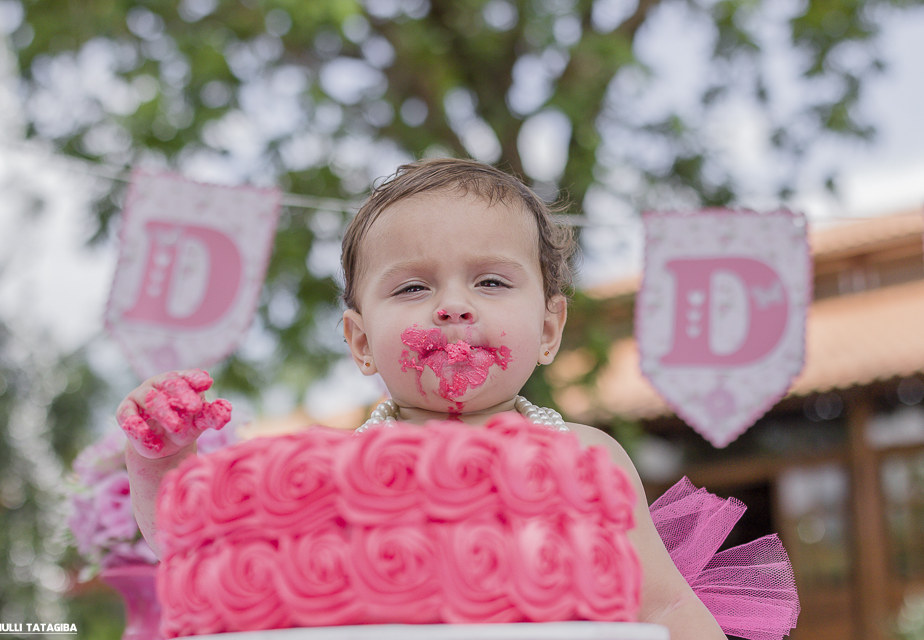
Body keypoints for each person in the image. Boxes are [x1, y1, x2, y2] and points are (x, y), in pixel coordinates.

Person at [118, 158, 728, 638]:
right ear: (361, 342)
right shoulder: (331, 470)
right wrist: (160, 459)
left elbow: (665, 605)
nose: (454, 305)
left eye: (491, 281)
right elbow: (189, 545)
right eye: (413, 287)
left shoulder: (583, 457)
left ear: (548, 329)